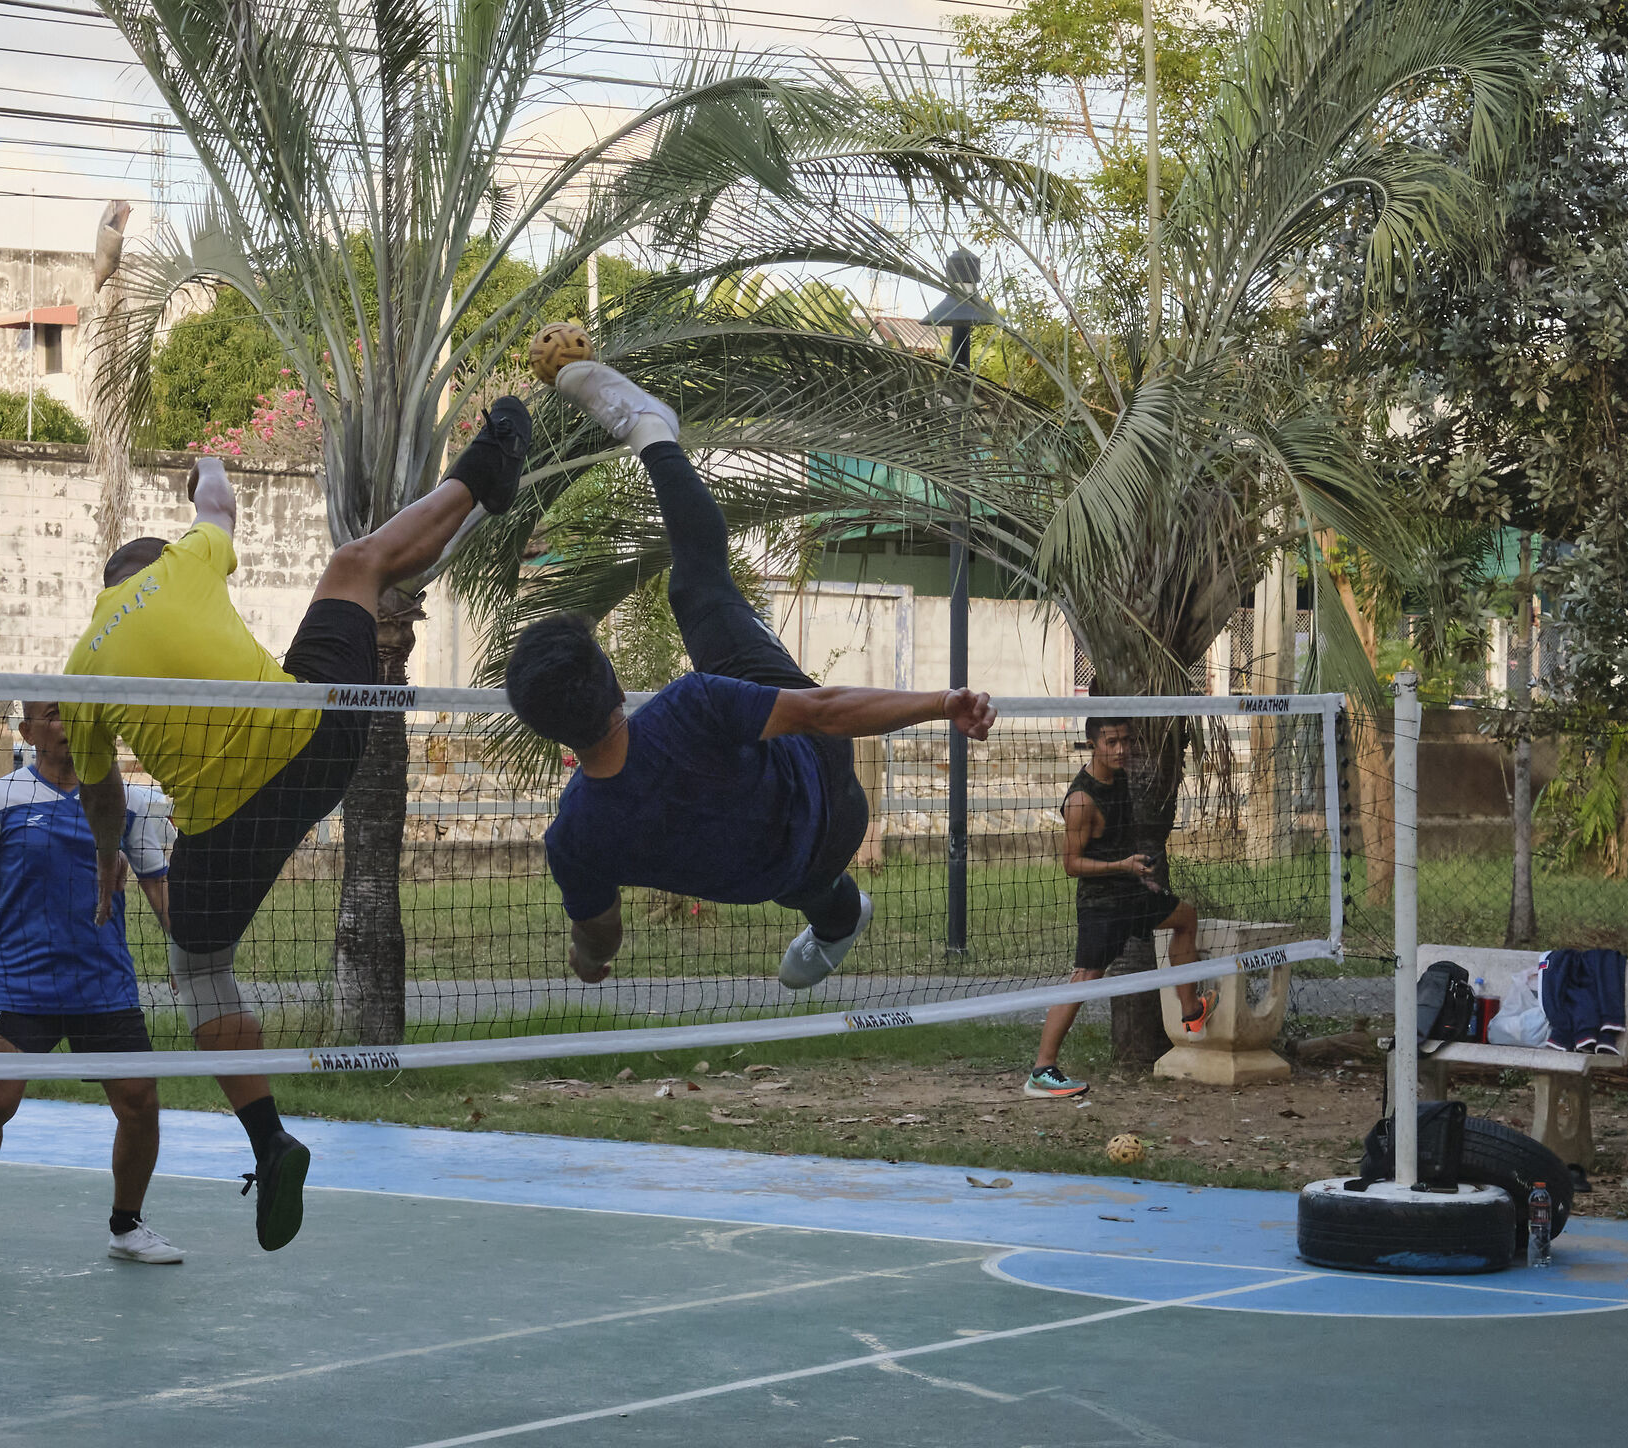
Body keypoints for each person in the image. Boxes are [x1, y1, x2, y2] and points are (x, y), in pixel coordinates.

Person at [62, 398, 533, 1252]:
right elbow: (217, 504)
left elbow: (101, 796)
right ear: (156, 563)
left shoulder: (82, 663)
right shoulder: (189, 561)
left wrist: (109, 862)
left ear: (105, 589)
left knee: (198, 967)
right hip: (316, 743)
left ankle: (269, 1138)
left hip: (230, 823)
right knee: (356, 565)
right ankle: (480, 474)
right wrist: (204, 461)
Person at [501, 338, 995, 989]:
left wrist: (589, 961)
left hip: (800, 863)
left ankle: (839, 924)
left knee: (809, 885)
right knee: (696, 586)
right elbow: (825, 713)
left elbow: (601, 932)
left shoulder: (575, 838)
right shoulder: (690, 709)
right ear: (615, 681)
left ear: (548, 730)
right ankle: (653, 432)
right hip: (822, 773)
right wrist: (939, 701)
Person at [0, 701, 179, 1264]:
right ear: (29, 731)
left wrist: (190, 957)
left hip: (103, 982)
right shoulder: (2, 797)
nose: (68, 726)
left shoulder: (127, 801)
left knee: (140, 1103)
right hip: (20, 979)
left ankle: (127, 1226)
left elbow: (160, 889)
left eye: (77, 715)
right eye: (54, 716)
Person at [1023, 716, 1212, 1098]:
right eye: (1111, 741)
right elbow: (1071, 864)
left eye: (1126, 740)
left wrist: (1139, 874)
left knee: (1185, 917)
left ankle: (1191, 1011)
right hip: (1101, 904)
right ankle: (1042, 1069)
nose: (1121, 749)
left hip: (1130, 891)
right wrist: (1122, 866)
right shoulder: (1081, 800)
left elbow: (1117, 841)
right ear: (1093, 743)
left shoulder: (1120, 776)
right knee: (1086, 978)